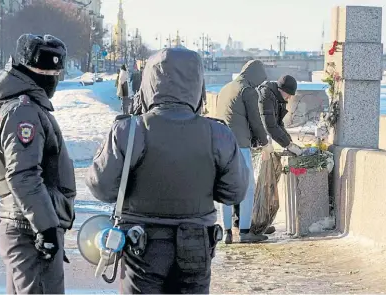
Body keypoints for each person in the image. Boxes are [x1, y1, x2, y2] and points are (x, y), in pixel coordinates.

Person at [85, 48, 249, 294]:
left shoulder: (131, 130)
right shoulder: (217, 134)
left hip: (141, 244)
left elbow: (100, 186)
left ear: (149, 83)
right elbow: (234, 192)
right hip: (196, 243)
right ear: (198, 85)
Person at [0, 34, 76, 294]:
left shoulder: (22, 105)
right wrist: (46, 227)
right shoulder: (22, 111)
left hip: (26, 223)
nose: (54, 79)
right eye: (49, 71)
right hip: (30, 228)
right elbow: (23, 174)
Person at [214, 60, 273, 244]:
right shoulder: (247, 91)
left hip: (220, 143)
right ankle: (246, 232)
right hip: (239, 145)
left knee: (225, 185)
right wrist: (265, 143)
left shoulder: (225, 89)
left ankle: (227, 232)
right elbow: (255, 120)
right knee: (247, 186)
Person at [257, 75, 303, 156]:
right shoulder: (266, 95)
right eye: (288, 94)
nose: (289, 97)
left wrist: (290, 142)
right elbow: (270, 125)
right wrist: (288, 144)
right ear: (280, 89)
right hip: (250, 139)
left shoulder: (280, 99)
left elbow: (279, 124)